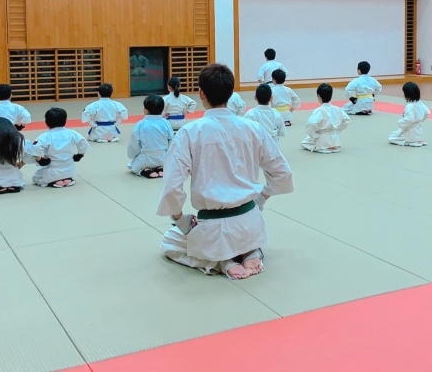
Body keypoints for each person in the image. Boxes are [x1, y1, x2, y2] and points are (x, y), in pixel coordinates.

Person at [157, 63, 294, 280]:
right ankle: (251, 251)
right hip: (251, 221)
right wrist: (261, 199)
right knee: (242, 236)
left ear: (201, 93)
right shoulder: (252, 128)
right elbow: (282, 173)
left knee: (169, 242)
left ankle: (222, 261)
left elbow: (172, 186)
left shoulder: (189, 133)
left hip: (212, 227)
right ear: (231, 94)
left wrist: (180, 219)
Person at [32, 108, 90, 188]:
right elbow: (83, 143)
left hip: (52, 171)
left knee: (35, 178)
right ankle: (68, 179)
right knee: (65, 172)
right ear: (65, 121)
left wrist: (41, 160)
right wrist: (79, 155)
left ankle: (54, 182)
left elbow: (34, 148)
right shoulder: (72, 133)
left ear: (46, 122)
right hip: (70, 170)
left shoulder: (45, 136)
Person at [128, 94, 175, 178]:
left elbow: (134, 144)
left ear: (146, 110)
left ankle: (145, 170)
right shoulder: (166, 123)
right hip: (162, 157)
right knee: (163, 162)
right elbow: (171, 140)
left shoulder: (140, 124)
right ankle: (160, 168)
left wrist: (132, 155)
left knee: (134, 166)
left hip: (146, 157)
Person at [301, 83, 350, 153]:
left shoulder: (319, 110)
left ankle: (323, 148)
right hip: (335, 139)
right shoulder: (337, 109)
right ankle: (332, 147)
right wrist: (338, 129)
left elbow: (311, 123)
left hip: (322, 139)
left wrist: (314, 134)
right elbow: (346, 119)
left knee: (304, 142)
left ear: (319, 96)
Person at [389, 82, 430, 147]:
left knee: (391, 138)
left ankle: (409, 142)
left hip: (410, 131)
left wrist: (400, 122)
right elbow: (427, 113)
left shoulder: (409, 106)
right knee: (394, 134)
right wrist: (420, 120)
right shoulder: (420, 104)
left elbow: (409, 120)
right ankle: (417, 140)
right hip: (419, 131)